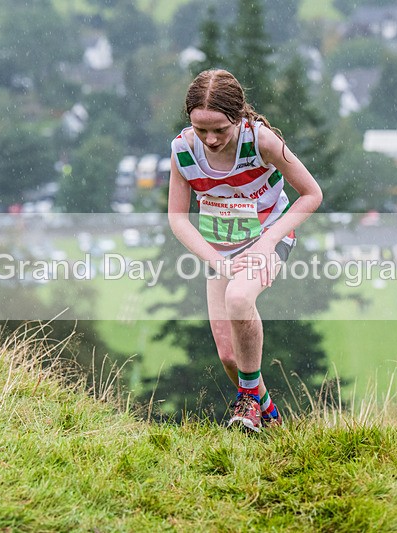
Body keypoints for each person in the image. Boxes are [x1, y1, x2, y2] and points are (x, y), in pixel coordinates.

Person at [167, 69, 323, 432]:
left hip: (269, 237)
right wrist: (216, 261)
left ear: (238, 117)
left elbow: (312, 194)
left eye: (220, 129)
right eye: (201, 129)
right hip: (219, 249)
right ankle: (271, 419)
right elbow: (178, 219)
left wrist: (268, 242)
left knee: (239, 298)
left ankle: (248, 403)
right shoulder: (182, 150)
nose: (210, 139)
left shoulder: (262, 141)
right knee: (229, 357)